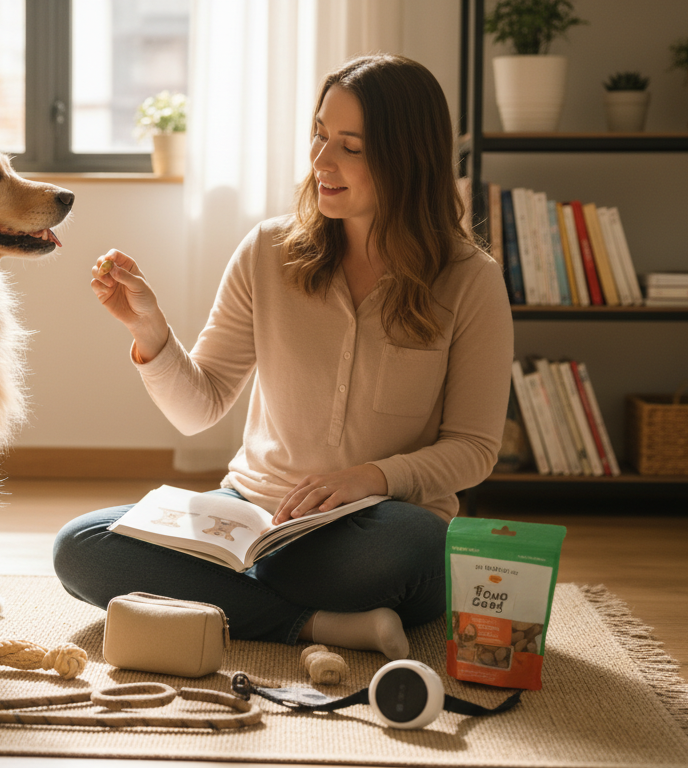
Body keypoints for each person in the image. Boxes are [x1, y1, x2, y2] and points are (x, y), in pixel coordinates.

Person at [52, 54, 513, 660]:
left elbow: (474, 449)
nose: (321, 161)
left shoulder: (470, 279)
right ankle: (325, 623)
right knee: (81, 547)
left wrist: (369, 478)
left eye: (351, 146)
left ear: (408, 158)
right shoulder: (268, 251)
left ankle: (226, 597)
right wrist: (151, 331)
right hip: (254, 515)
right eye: (320, 135)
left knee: (414, 546)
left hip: (377, 526)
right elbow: (201, 406)